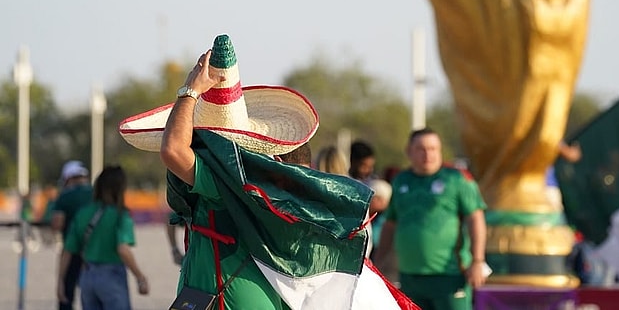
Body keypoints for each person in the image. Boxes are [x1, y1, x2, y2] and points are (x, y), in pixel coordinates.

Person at [118, 34, 415, 310]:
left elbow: (173, 150)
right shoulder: (260, 181)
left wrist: (190, 92)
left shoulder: (225, 178)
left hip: (225, 299)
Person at [375, 127, 488, 310]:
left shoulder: (456, 179)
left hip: (449, 276)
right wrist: (379, 262)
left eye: (433, 148)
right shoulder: (401, 181)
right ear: (409, 151)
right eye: (421, 149)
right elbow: (390, 224)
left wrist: (477, 260)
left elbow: (476, 218)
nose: (428, 154)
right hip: (410, 277)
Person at [57, 166, 149, 310]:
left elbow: (68, 250)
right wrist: (140, 277)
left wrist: (61, 281)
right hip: (112, 275)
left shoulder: (83, 213)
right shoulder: (120, 215)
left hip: (87, 275)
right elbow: (123, 249)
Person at [50, 160, 93, 310]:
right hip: (97, 251)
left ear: (67, 178)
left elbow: (57, 223)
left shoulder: (65, 196)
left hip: (71, 250)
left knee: (66, 292)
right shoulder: (96, 193)